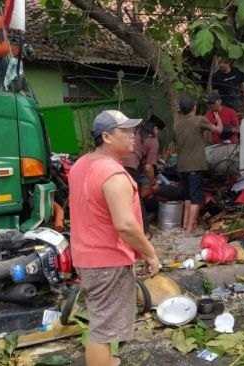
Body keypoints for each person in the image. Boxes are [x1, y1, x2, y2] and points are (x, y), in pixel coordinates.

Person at [69, 110, 161, 366]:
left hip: (86, 255)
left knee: (101, 320)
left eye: (133, 130)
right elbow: (126, 225)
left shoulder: (82, 164)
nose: (133, 136)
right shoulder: (114, 175)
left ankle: (110, 361)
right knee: (103, 329)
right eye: (125, 131)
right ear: (107, 137)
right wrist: (149, 253)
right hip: (107, 259)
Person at [174, 95, 222, 234]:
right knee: (196, 198)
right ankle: (189, 230)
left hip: (181, 165)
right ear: (194, 107)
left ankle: (185, 225)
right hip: (195, 165)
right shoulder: (199, 119)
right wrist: (218, 118)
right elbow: (218, 130)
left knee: (187, 197)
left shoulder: (177, 124)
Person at [122, 120, 161, 233]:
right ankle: (144, 230)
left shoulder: (136, 132)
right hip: (130, 167)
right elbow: (149, 167)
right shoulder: (153, 140)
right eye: (157, 129)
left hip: (116, 164)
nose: (158, 132)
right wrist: (152, 181)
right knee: (137, 200)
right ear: (154, 129)